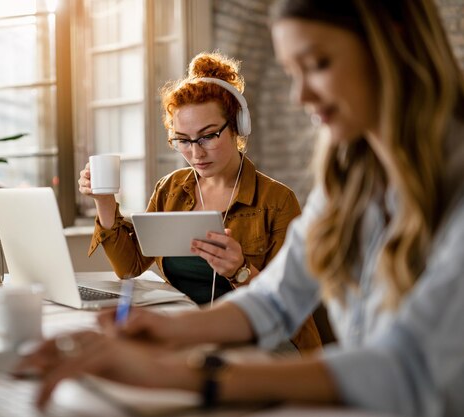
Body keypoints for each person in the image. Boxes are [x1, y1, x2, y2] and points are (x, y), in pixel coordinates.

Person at [23, 0, 464, 415]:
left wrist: (181, 372)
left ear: (394, 41)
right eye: (292, 73)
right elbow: (277, 297)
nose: (300, 97)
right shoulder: (350, 179)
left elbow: (407, 369)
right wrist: (165, 330)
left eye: (318, 65)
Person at [79, 52, 322, 352]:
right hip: (190, 335)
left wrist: (240, 270)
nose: (195, 153)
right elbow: (129, 267)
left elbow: (289, 304)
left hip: (267, 342)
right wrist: (104, 201)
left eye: (207, 136)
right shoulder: (171, 189)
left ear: (237, 127)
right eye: (182, 139)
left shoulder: (277, 201)